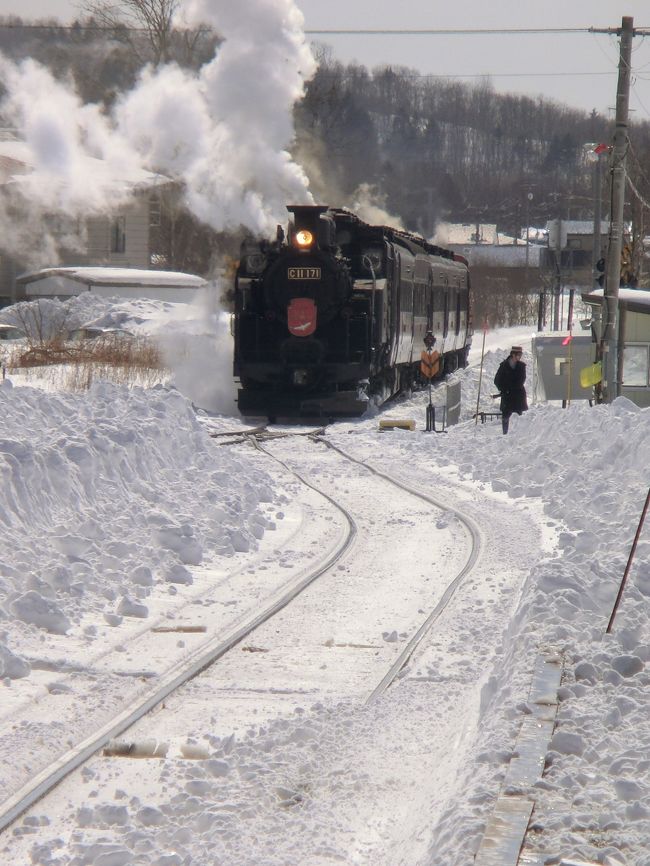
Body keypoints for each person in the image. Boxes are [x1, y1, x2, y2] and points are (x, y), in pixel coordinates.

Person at [494, 346, 528, 434]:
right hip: (507, 396)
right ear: (513, 355)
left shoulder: (521, 366)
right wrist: (503, 389)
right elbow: (497, 380)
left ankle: (517, 434)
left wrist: (511, 388)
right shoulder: (503, 366)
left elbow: (521, 380)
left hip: (518, 396)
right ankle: (505, 433)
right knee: (505, 416)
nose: (519, 357)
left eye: (520, 355)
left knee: (518, 416)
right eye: (518, 355)